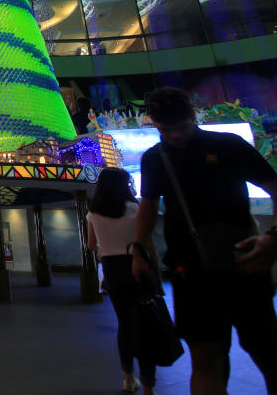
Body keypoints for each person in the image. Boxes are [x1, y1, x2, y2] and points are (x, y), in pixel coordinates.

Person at [132, 87, 277, 395]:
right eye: (164, 129)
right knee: (205, 360)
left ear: (193, 116)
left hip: (245, 266)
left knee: (270, 359)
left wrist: (276, 238)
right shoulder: (155, 159)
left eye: (180, 127)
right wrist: (138, 252)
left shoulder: (229, 145)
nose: (173, 136)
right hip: (191, 272)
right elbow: (147, 208)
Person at [87, 167, 157, 395]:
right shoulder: (135, 207)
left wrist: (107, 247)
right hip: (137, 266)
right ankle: (148, 386)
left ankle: (128, 377)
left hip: (112, 269)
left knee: (125, 324)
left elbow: (91, 245)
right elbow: (147, 243)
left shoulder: (93, 212)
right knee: (145, 325)